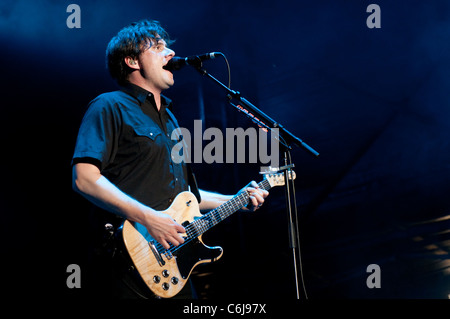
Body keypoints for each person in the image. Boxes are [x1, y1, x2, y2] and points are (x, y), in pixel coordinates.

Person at [71, 19, 269, 298]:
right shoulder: (109, 105)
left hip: (170, 267)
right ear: (131, 61)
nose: (171, 54)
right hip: (126, 262)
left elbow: (185, 196)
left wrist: (235, 199)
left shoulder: (171, 119)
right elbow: (84, 178)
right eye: (158, 47)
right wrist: (150, 219)